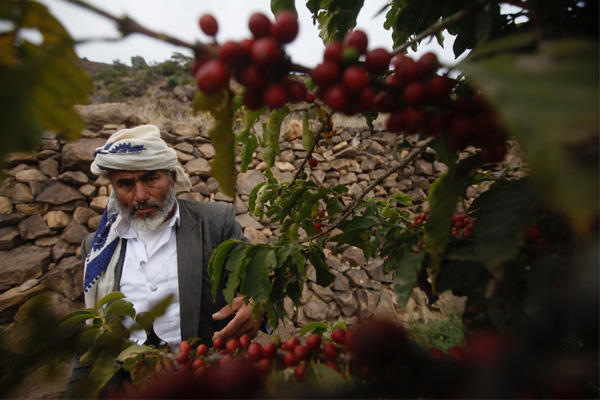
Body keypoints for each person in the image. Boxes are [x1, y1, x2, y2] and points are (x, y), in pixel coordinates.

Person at [67, 124, 262, 397]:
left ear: (171, 176)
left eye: (150, 179)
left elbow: (258, 285)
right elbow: (93, 343)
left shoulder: (216, 222)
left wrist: (257, 305)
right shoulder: (98, 247)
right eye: (125, 184)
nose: (140, 196)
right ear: (113, 188)